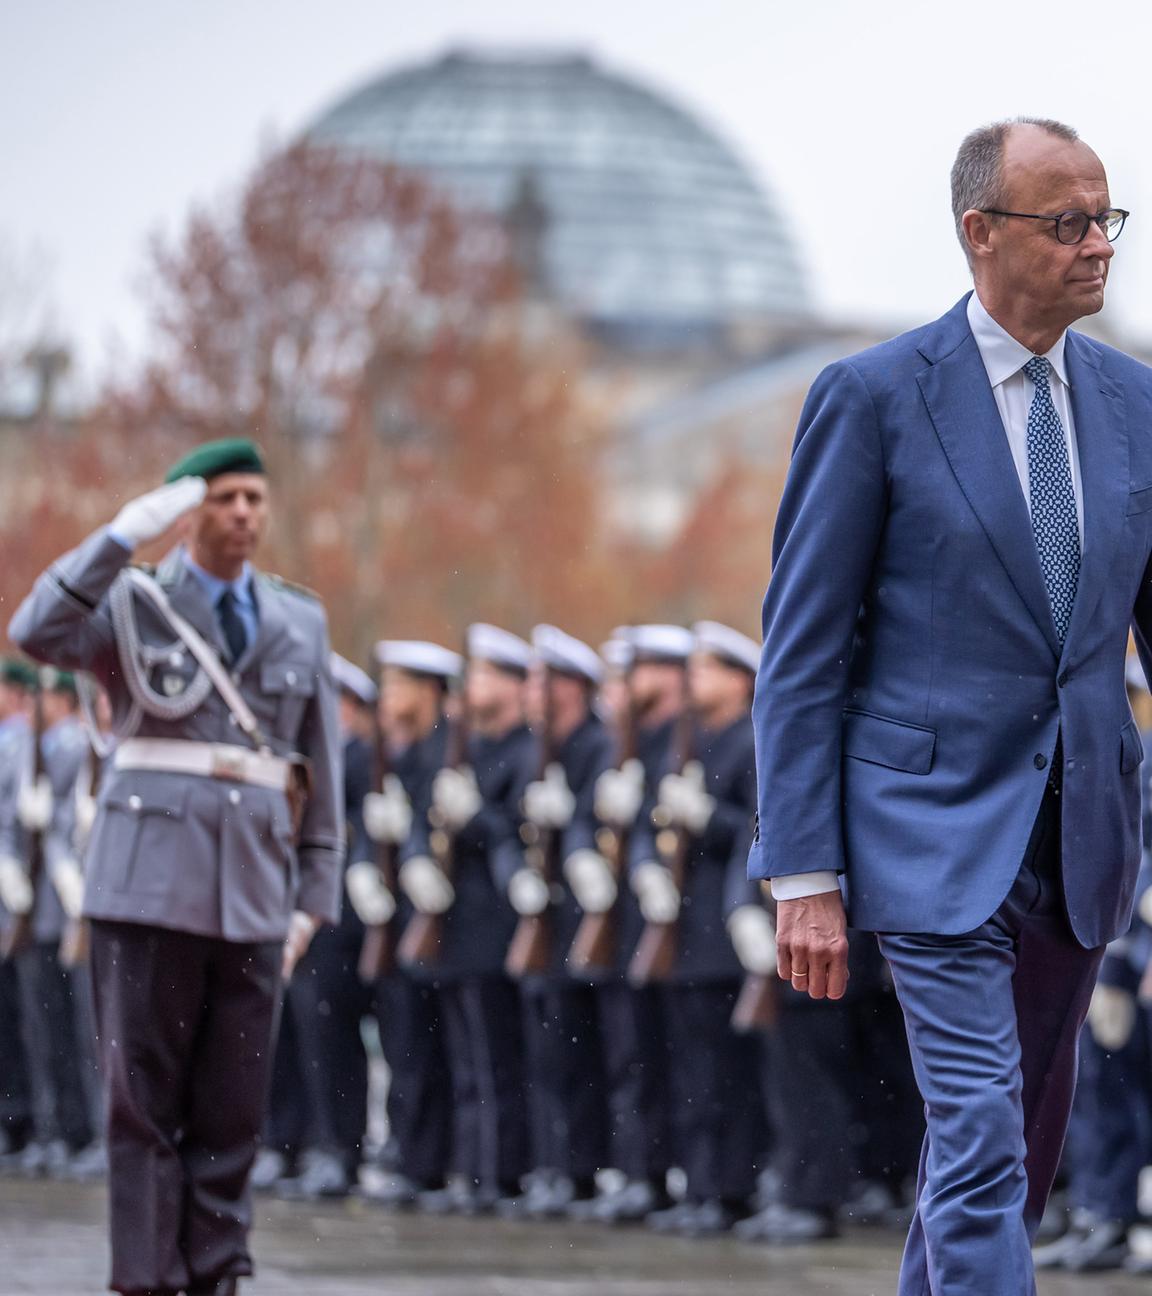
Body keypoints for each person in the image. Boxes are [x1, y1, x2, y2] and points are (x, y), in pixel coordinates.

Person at [749, 117, 1145, 1295]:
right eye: (1066, 221)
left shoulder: (1136, 406)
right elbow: (802, 654)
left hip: (1080, 841)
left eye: (1106, 218)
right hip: (926, 832)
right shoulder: (872, 398)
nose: (1097, 246)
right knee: (978, 1132)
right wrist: (803, 873)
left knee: (1013, 1153)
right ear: (980, 232)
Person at [8, 437, 344, 1296]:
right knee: (145, 1106)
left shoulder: (299, 619)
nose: (242, 514)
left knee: (232, 1107)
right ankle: (148, 1277)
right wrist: (118, 538)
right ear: (189, 512)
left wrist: (313, 899)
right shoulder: (133, 602)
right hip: (149, 884)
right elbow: (34, 631)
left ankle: (218, 1270)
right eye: (225, 497)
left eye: (254, 500)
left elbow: (318, 773)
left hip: (255, 896)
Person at [634, 621, 769, 1236]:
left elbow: (755, 826)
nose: (694, 680)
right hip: (682, 927)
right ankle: (701, 1181)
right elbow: (650, 822)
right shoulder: (686, 741)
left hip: (724, 929)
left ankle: (730, 1187)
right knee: (691, 1067)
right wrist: (645, 866)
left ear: (740, 678)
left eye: (708, 668)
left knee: (724, 1071)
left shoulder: (749, 739)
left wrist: (708, 816)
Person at [398, 623, 535, 1215]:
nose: (472, 683)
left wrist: (476, 817)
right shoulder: (467, 749)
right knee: (464, 1057)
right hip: (453, 925)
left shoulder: (524, 751)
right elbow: (423, 821)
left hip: (490, 925)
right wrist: (413, 859)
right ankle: (470, 1167)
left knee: (493, 1057)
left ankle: (498, 1173)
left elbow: (513, 833)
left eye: (484, 673)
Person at [503, 624, 614, 1218]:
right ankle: (553, 1163)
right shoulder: (536, 750)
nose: (531, 691)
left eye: (543, 680)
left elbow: (596, 822)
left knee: (581, 1055)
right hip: (543, 918)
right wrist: (515, 875)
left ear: (572, 687)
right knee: (546, 1056)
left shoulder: (597, 745)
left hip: (584, 920)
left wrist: (570, 826)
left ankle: (581, 1169)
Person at [355, 638, 459, 1207]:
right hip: (398, 923)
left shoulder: (447, 752)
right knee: (404, 1045)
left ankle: (433, 1161)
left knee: (434, 1048)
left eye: (399, 686)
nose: (389, 697)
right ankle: (410, 1151)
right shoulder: (398, 753)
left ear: (429, 692)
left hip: (442, 923)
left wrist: (416, 845)